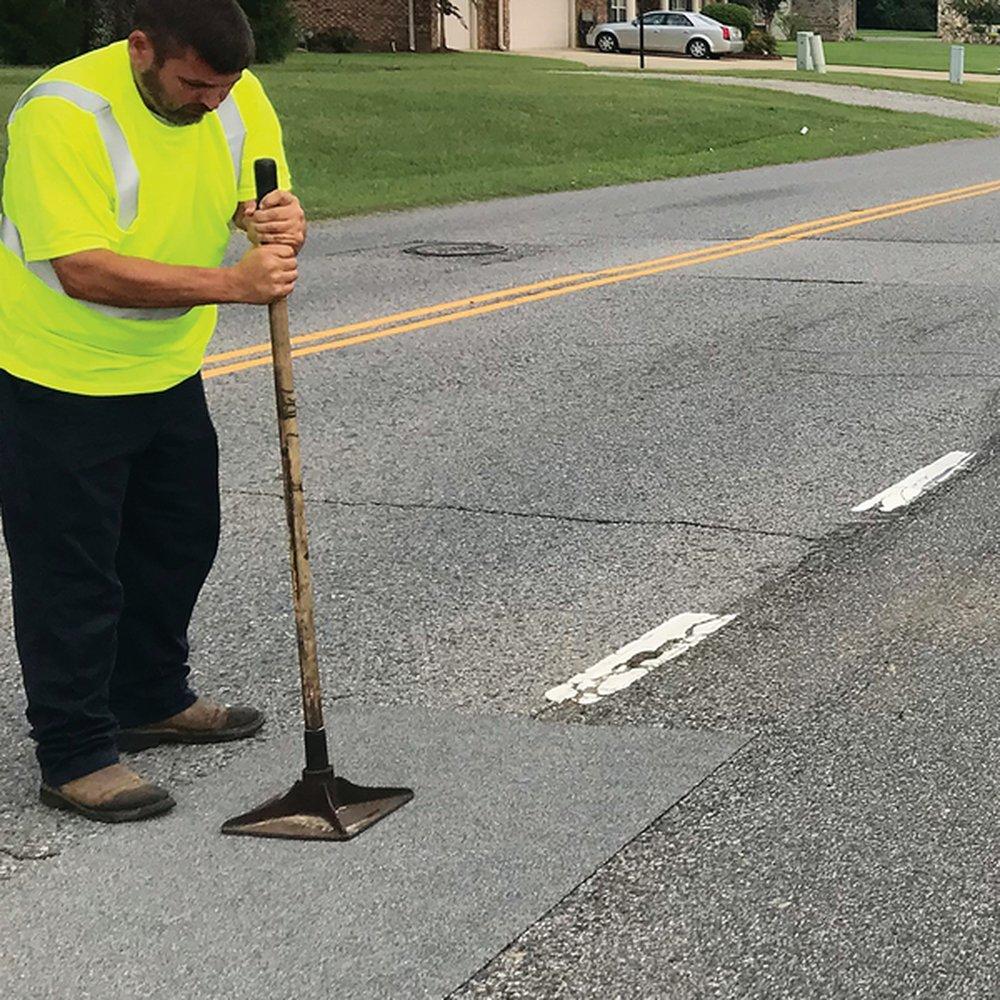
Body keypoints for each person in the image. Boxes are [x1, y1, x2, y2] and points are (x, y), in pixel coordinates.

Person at [0, 0, 307, 823]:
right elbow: (81, 268)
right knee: (72, 573)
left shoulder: (235, 96)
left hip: (166, 369)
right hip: (56, 375)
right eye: (195, 83)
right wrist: (233, 285)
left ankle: (149, 695)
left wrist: (278, 221)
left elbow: (259, 202)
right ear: (140, 48)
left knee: (177, 541)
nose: (214, 101)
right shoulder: (63, 112)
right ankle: (75, 752)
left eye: (227, 85)